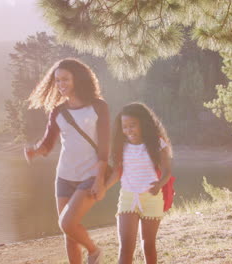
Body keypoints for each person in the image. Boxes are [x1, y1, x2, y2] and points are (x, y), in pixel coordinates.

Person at [24, 58, 110, 264]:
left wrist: (99, 179)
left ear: (78, 79)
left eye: (65, 79)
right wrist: (35, 151)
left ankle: (94, 251)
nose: (61, 85)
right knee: (69, 234)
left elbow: (105, 146)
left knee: (68, 223)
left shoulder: (98, 107)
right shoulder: (58, 111)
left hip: (90, 175)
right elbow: (47, 144)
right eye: (57, 81)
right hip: (64, 176)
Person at [105, 102, 173, 264]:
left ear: (143, 123)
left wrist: (159, 184)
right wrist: (103, 188)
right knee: (126, 247)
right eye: (125, 126)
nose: (129, 130)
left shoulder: (157, 143)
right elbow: (117, 172)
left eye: (132, 125)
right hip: (128, 197)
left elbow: (167, 171)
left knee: (148, 245)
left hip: (152, 197)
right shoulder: (121, 145)